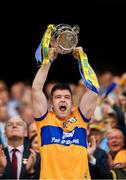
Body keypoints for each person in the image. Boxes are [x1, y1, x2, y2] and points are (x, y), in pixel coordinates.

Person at [32, 46, 99, 179]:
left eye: (67, 97)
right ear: (51, 103)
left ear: (72, 102)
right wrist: (49, 60)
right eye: (58, 97)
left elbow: (93, 90)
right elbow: (36, 89)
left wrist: (82, 60)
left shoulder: (80, 118)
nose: (63, 100)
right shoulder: (44, 120)